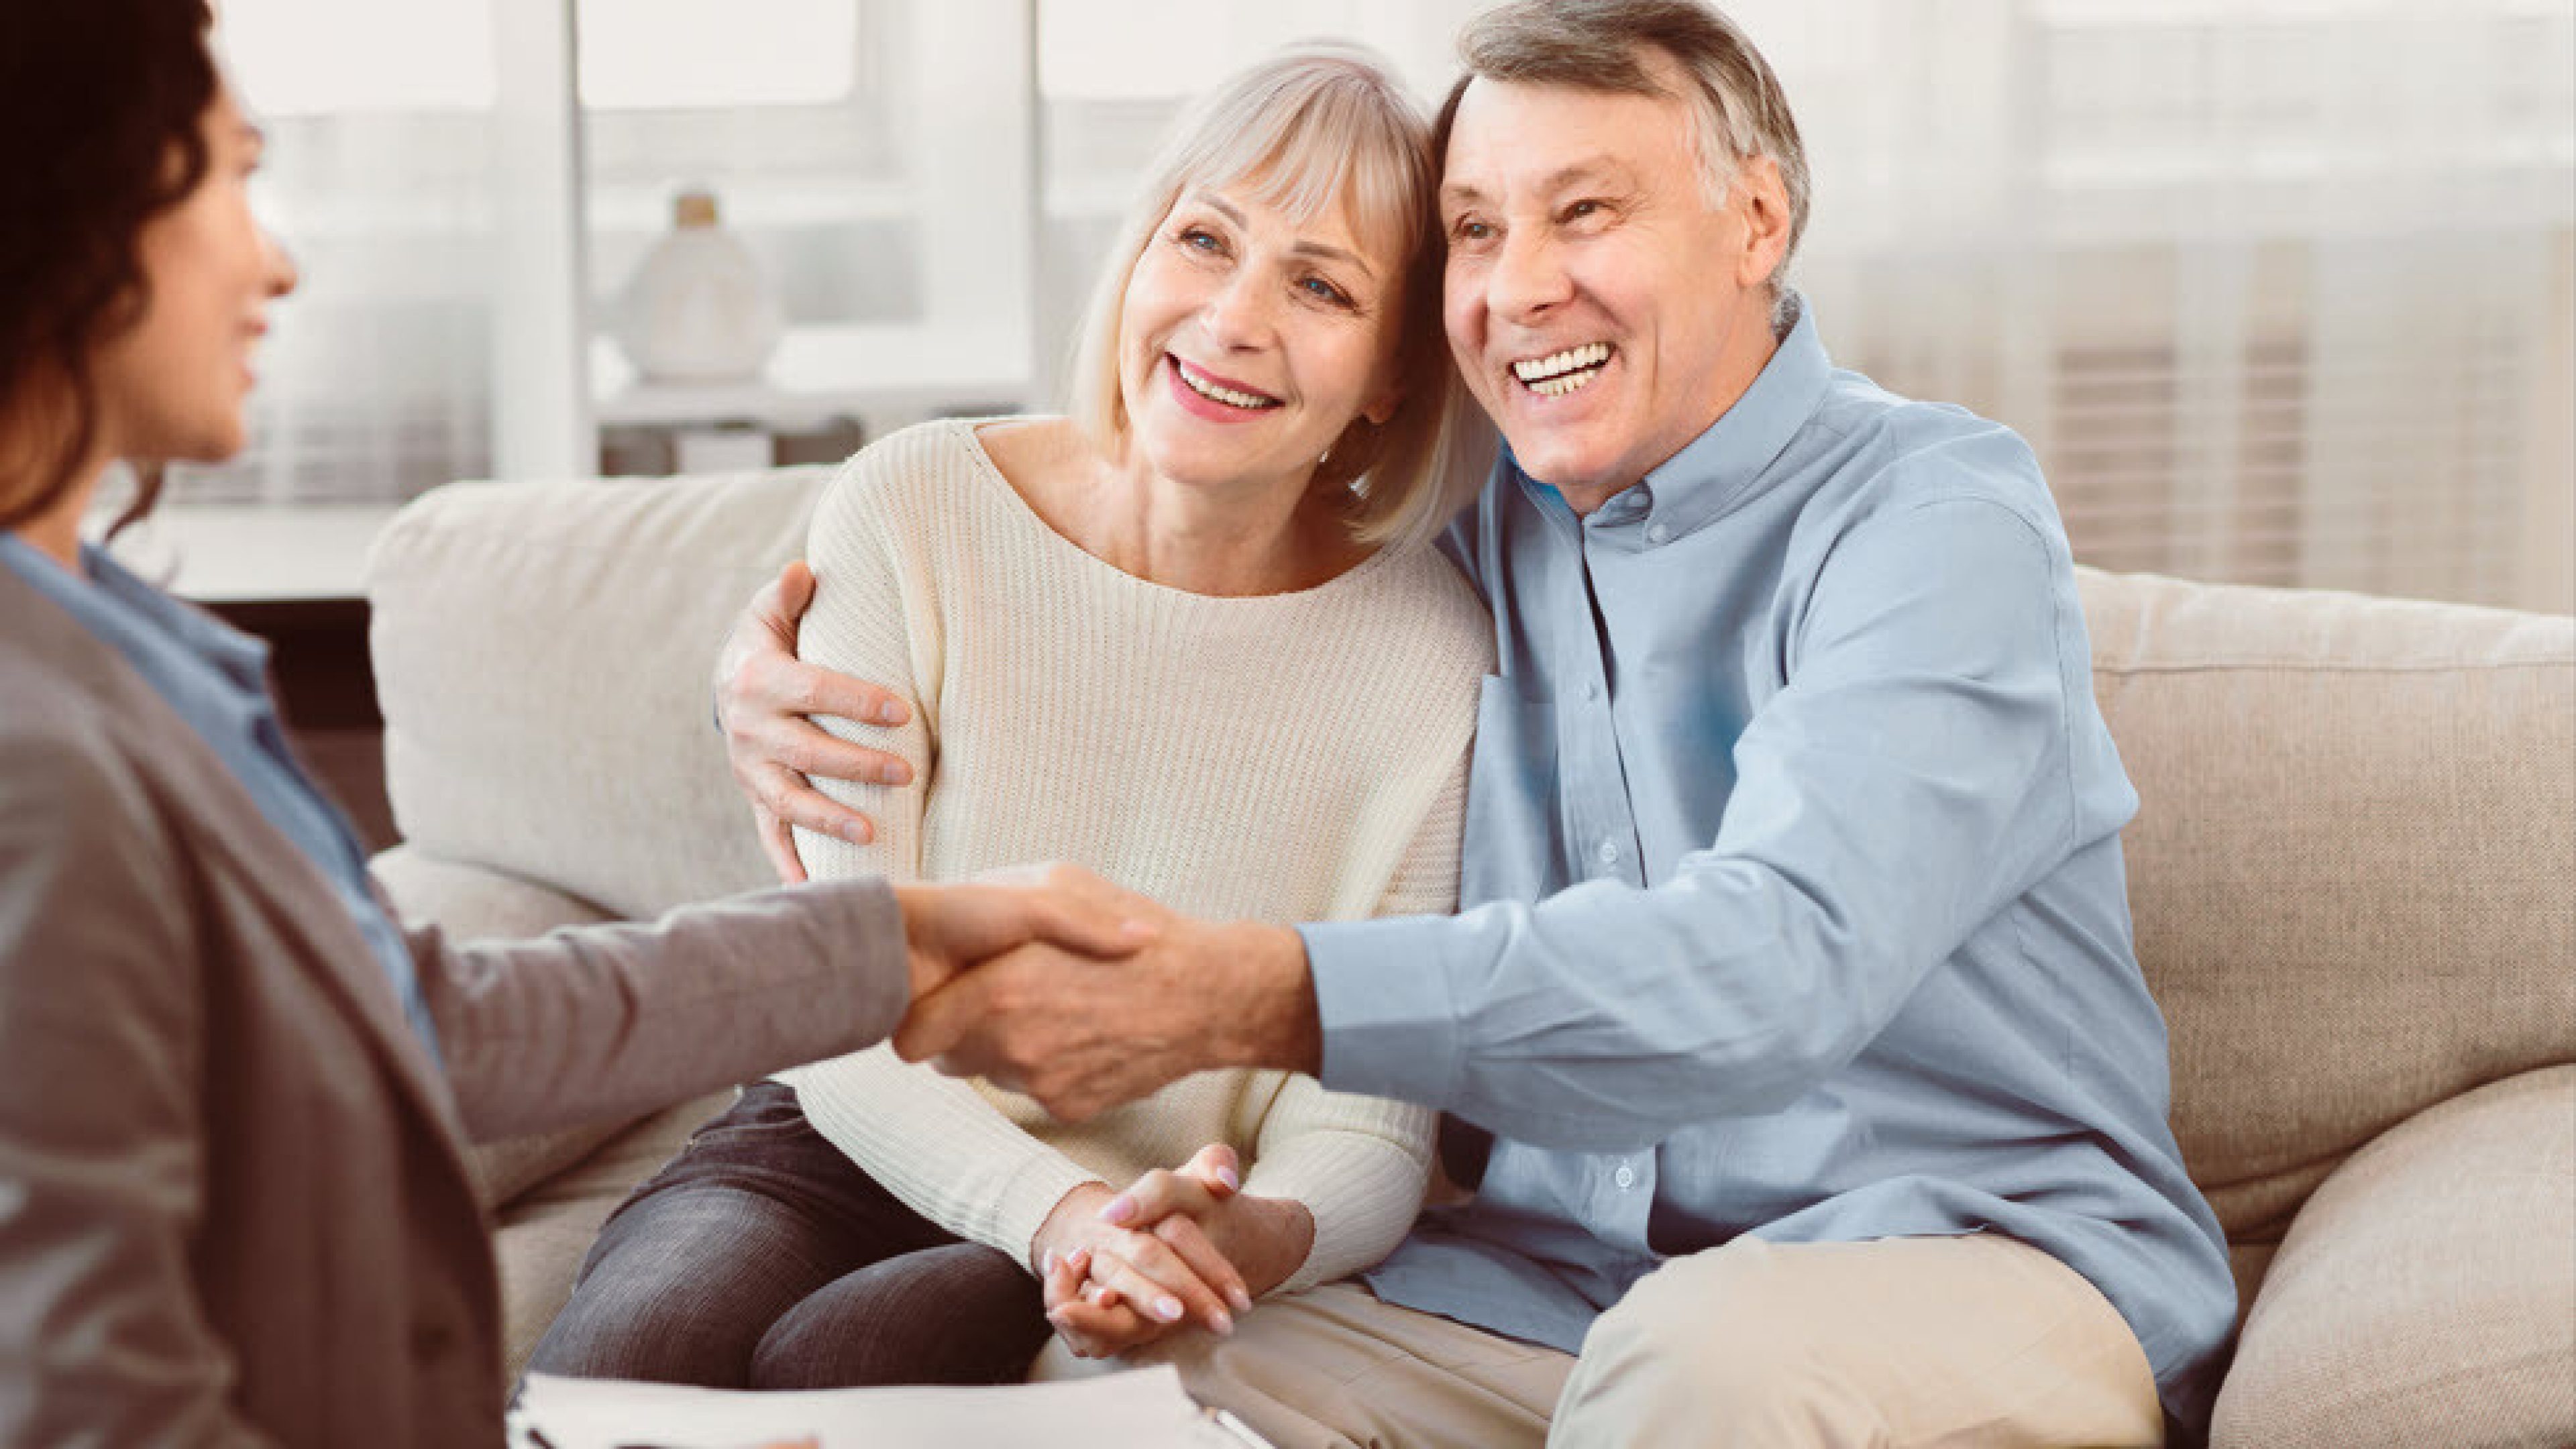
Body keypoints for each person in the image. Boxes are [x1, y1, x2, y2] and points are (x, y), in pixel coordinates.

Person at [717, 1, 2239, 1446]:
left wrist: (1256, 991)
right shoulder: (1463, 540)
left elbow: (1781, 965)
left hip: (1975, 1260)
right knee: (1118, 1393)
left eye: (1586, 213)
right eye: (1475, 231)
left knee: (1704, 1371)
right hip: (1543, 1290)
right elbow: (1161, 584)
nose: (1518, 288)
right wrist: (765, 666)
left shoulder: (1930, 521)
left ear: (1757, 223)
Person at [0, 6, 1150, 1445]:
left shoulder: (120, 645)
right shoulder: (36, 761)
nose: (275, 258)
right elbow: (91, 1400)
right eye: (232, 174)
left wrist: (888, 941)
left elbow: (415, 1023)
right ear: (66, 200)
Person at [527, 45, 1493, 1392]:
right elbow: (838, 1001)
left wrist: (1247, 1236)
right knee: (636, 1358)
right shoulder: (914, 508)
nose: (1231, 316)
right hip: (836, 1134)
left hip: (1142, 1200)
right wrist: (1050, 1214)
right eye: (1204, 238)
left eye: (1321, 283)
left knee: (849, 1358)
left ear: (1392, 374)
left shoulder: (1429, 655)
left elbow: (1374, 1127)